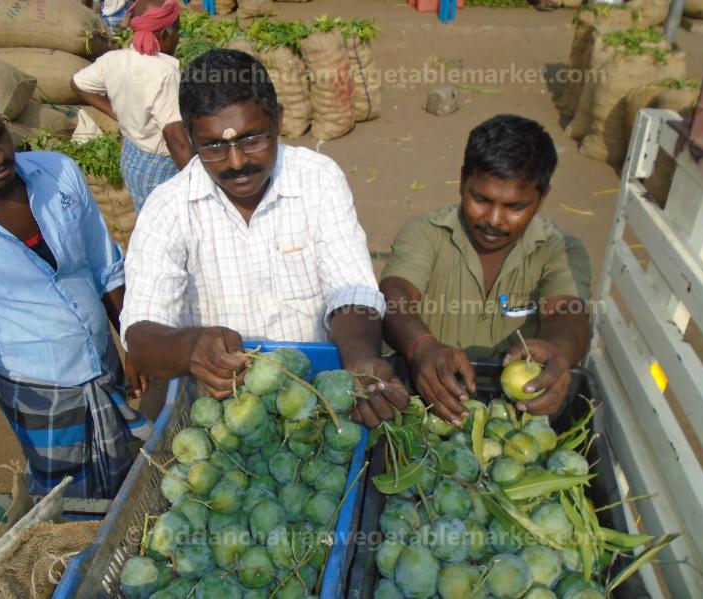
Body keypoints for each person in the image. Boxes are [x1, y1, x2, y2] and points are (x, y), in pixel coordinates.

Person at [121, 49, 409, 427]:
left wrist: (358, 359)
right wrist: (191, 347)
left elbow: (350, 290)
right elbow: (141, 331)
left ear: (279, 121)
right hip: (224, 412)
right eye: (214, 146)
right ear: (191, 139)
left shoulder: (317, 180)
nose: (237, 161)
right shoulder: (168, 208)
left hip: (317, 398)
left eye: (252, 138)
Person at [0, 57, 151, 499]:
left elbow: (104, 266)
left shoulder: (57, 173)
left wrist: (131, 340)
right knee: (69, 501)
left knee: (129, 479)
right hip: (37, 387)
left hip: (102, 360)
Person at [381, 115, 591, 425]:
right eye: (481, 199)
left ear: (541, 198)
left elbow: (568, 314)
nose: (493, 219)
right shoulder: (425, 232)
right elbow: (395, 295)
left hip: (515, 412)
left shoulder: (560, 249)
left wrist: (558, 349)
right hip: (429, 403)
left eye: (515, 207)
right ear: (463, 180)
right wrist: (421, 346)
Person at [71, 0, 194, 213]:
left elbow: (78, 84)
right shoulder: (164, 73)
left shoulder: (113, 60)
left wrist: (117, 113)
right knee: (172, 222)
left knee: (149, 217)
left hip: (132, 156)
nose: (178, 37)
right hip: (161, 165)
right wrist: (199, 182)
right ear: (165, 36)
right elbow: (176, 138)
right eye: (177, 31)